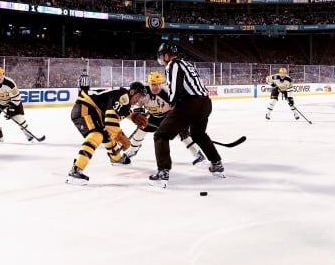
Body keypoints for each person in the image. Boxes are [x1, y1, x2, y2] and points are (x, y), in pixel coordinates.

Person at [151, 41, 225, 188]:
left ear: (166, 55)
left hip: (191, 104)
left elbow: (175, 89)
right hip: (205, 103)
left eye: (162, 56)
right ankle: (216, 163)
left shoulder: (173, 65)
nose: (161, 59)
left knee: (160, 135)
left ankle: (163, 172)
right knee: (198, 134)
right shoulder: (187, 64)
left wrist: (169, 105)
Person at [66, 82, 149, 185]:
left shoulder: (124, 99)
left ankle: (116, 159)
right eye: (138, 96)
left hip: (94, 111)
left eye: (141, 98)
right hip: (85, 107)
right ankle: (75, 170)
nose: (138, 100)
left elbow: (121, 111)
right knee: (97, 134)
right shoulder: (122, 96)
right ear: (132, 92)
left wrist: (134, 117)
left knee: (106, 135)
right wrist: (120, 136)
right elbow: (110, 122)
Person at [125, 70, 206, 165]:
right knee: (140, 132)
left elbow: (181, 108)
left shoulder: (167, 93)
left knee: (182, 135)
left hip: (168, 117)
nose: (157, 87)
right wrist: (139, 114)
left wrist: (184, 123)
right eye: (154, 84)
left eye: (159, 84)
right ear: (148, 83)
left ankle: (198, 154)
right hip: (153, 117)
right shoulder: (143, 92)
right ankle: (133, 151)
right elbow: (136, 106)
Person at [0, 66, 34, 143]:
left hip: (14, 101)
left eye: (1, 74)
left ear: (4, 74)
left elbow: (16, 98)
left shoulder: (10, 83)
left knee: (18, 118)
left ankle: (28, 134)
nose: (0, 77)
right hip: (1, 101)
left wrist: (11, 109)